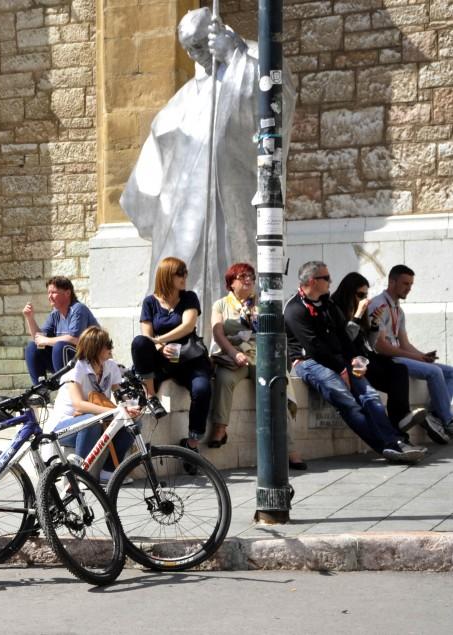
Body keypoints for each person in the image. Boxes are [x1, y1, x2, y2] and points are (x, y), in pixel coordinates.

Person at [121, 7, 294, 318]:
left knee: (229, 263)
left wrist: (235, 57)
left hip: (232, 192)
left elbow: (274, 102)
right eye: (188, 48)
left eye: (200, 44)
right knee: (186, 267)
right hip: (188, 203)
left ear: (216, 31)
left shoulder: (253, 57)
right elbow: (167, 130)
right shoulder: (191, 91)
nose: (194, 54)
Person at [285, 261, 426, 464]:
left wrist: (354, 361)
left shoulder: (327, 303)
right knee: (347, 401)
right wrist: (342, 369)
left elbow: (343, 336)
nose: (330, 281)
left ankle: (396, 442)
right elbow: (315, 348)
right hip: (309, 362)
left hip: (338, 360)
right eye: (326, 278)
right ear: (312, 281)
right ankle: (387, 447)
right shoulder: (295, 309)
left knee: (370, 396)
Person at [209, 263, 306, 468]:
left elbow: (274, 334)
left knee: (276, 388)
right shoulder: (221, 305)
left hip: (259, 356)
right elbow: (218, 333)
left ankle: (290, 448)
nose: (248, 280)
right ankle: (220, 428)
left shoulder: (262, 305)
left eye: (251, 276)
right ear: (231, 282)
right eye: (242, 276)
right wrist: (234, 353)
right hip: (233, 356)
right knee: (224, 379)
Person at [331, 272, 430, 440]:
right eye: (360, 295)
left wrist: (374, 325)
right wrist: (357, 316)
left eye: (365, 295)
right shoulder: (336, 309)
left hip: (364, 355)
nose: (364, 299)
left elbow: (369, 342)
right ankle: (399, 431)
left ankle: (401, 420)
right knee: (390, 377)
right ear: (349, 292)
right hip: (351, 360)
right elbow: (344, 341)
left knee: (398, 369)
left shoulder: (359, 310)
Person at [130, 257, 212, 459]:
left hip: (188, 358)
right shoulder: (150, 302)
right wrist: (158, 347)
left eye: (185, 272)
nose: (185, 276)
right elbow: (146, 335)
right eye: (180, 273)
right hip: (162, 359)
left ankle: (192, 443)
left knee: (202, 389)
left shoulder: (189, 297)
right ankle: (150, 396)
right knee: (139, 343)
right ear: (167, 275)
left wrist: (160, 340)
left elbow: (188, 326)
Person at [369, 264, 453, 444]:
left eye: (411, 284)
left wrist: (424, 356)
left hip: (399, 355)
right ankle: (448, 422)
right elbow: (381, 347)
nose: (409, 288)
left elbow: (405, 343)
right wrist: (418, 358)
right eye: (406, 283)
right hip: (388, 360)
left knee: (450, 372)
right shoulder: (378, 305)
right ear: (392, 282)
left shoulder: (398, 310)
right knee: (434, 372)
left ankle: (435, 416)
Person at [46, 326, 135, 481]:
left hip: (95, 420)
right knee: (91, 422)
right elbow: (79, 404)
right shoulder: (77, 368)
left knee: (131, 425)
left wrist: (130, 407)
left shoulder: (111, 366)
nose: (111, 347)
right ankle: (79, 475)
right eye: (108, 344)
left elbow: (119, 393)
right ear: (96, 348)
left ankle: (109, 471)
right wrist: (112, 413)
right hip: (64, 427)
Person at [22, 276, 100, 385]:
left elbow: (75, 339)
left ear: (67, 293)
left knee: (60, 346)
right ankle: (40, 392)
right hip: (66, 360)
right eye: (48, 293)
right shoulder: (55, 314)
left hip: (90, 360)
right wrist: (30, 318)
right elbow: (39, 338)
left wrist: (46, 341)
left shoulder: (78, 309)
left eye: (53, 292)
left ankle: (66, 390)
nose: (49, 296)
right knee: (32, 347)